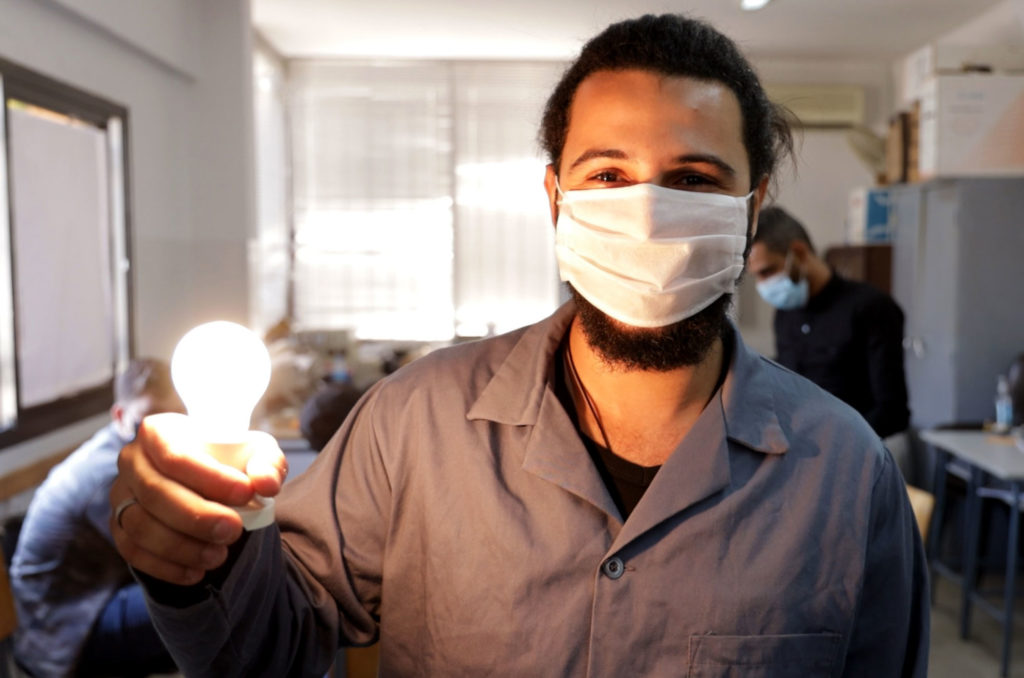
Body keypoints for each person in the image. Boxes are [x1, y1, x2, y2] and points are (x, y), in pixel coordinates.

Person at [110, 14, 929, 677]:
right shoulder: (413, 425)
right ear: (555, 200)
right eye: (607, 176)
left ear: (752, 211)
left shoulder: (847, 476)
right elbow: (271, 651)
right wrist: (199, 564)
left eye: (693, 179)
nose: (646, 214)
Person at [11, 359, 183, 678]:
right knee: (195, 599)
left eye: (171, 418)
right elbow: (162, 554)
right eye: (147, 420)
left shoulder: (129, 452)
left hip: (100, 592)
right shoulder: (108, 475)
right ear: (119, 415)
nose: (161, 435)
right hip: (64, 629)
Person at [747, 205, 911, 438]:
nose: (763, 285)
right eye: (757, 276)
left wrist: (834, 446)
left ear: (799, 253)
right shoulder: (785, 315)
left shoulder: (871, 307)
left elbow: (891, 412)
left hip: (857, 453)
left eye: (768, 271)